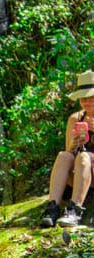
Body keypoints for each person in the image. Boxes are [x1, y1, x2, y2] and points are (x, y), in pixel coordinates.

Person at [40, 69, 94, 228]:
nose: (87, 102)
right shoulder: (76, 118)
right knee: (64, 155)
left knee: (84, 157)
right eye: (83, 98)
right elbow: (69, 152)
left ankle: (75, 211)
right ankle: (52, 208)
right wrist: (75, 143)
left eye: (91, 97)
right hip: (81, 172)